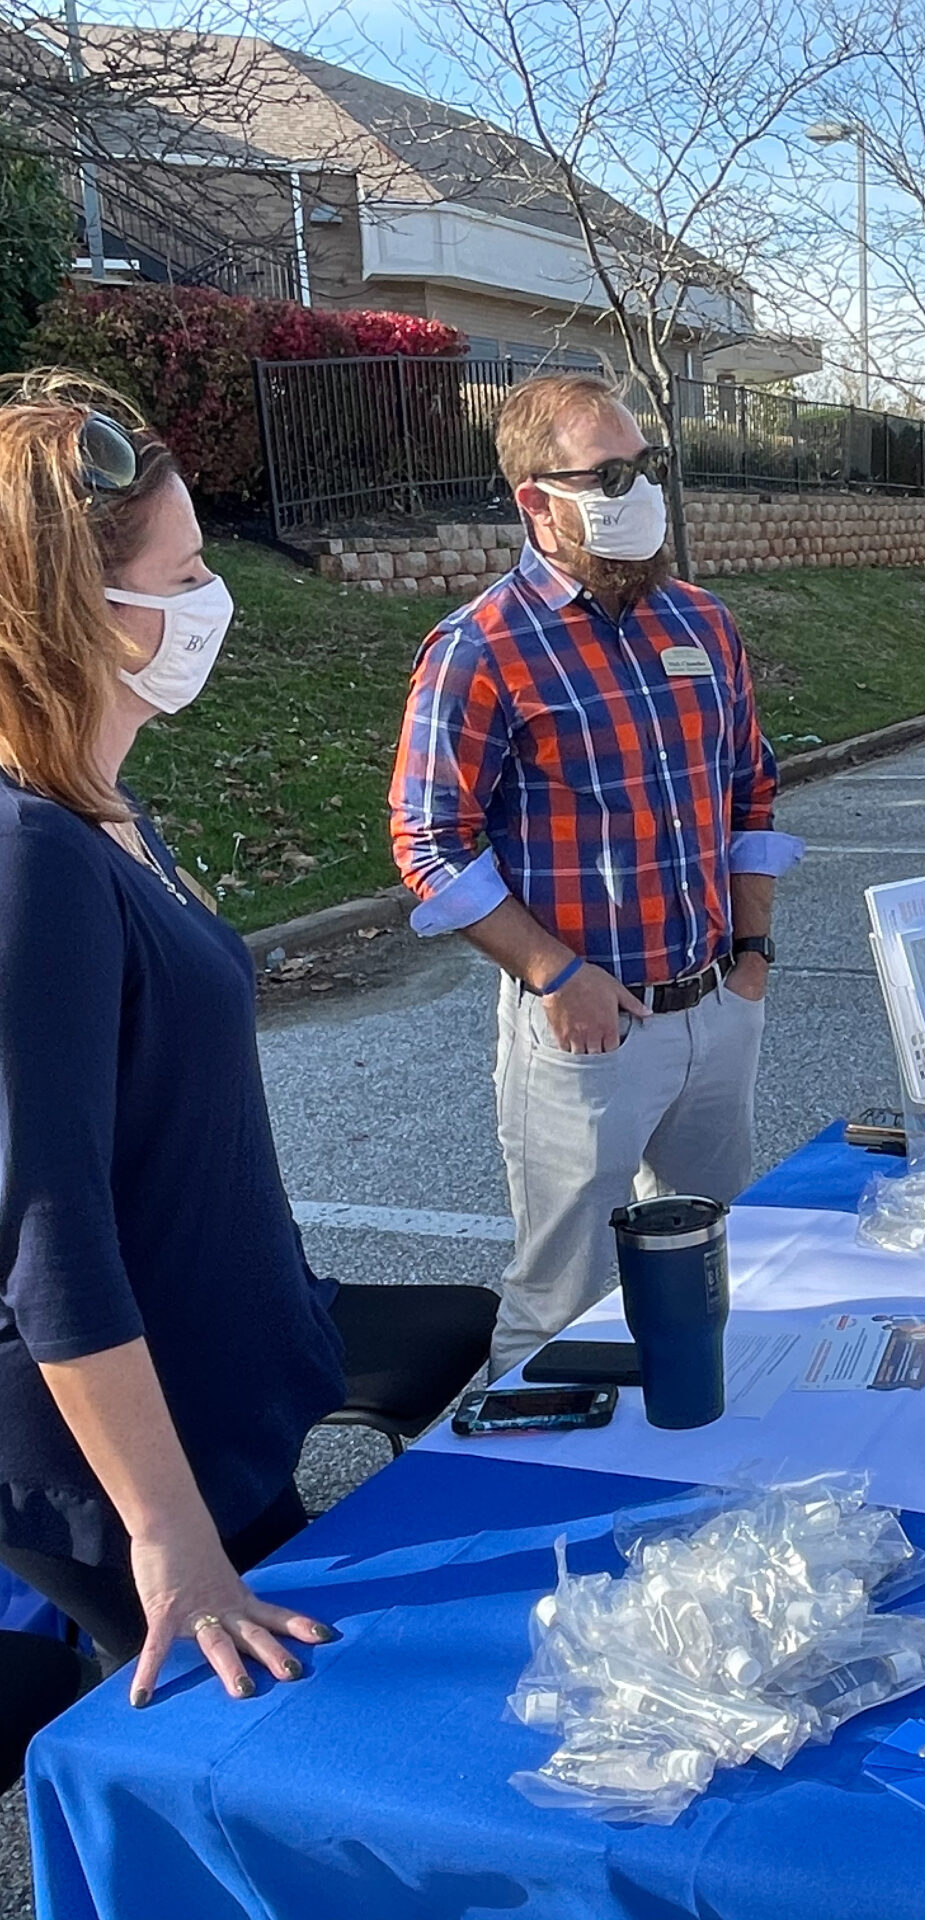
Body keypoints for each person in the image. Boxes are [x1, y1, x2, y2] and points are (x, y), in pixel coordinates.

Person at [0, 374, 347, 1705]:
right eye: (188, 570)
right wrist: (172, 1543)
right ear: (79, 608)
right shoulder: (30, 857)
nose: (217, 600)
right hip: (129, 1468)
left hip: (214, 1396)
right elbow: (50, 1236)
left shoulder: (101, 806)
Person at [390, 373, 801, 1376]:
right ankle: (538, 1497)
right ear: (536, 498)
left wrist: (751, 955)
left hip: (715, 1003)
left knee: (707, 1262)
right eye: (611, 475)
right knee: (562, 1299)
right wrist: (554, 975)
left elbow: (750, 790)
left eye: (645, 468)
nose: (641, 492)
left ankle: (685, 1459)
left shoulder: (702, 624)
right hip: (587, 1028)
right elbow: (429, 837)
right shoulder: (481, 647)